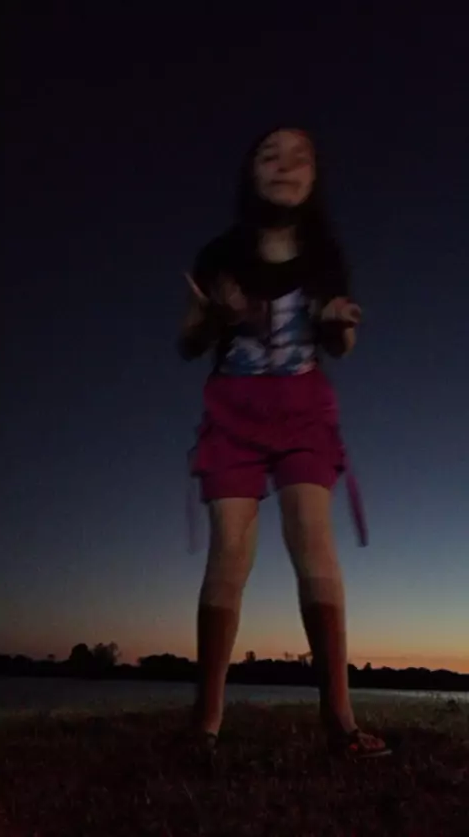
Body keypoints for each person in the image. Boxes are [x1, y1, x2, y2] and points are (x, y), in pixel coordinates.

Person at [177, 127, 391, 758]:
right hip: (233, 410)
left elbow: (341, 343)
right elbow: (189, 343)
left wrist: (339, 324)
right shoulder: (221, 253)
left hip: (302, 410)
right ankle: (205, 723)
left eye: (300, 157)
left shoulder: (325, 254)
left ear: (315, 177)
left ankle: (340, 721)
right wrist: (210, 317)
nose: (285, 165)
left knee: (312, 538)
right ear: (250, 173)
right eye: (270, 155)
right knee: (229, 552)